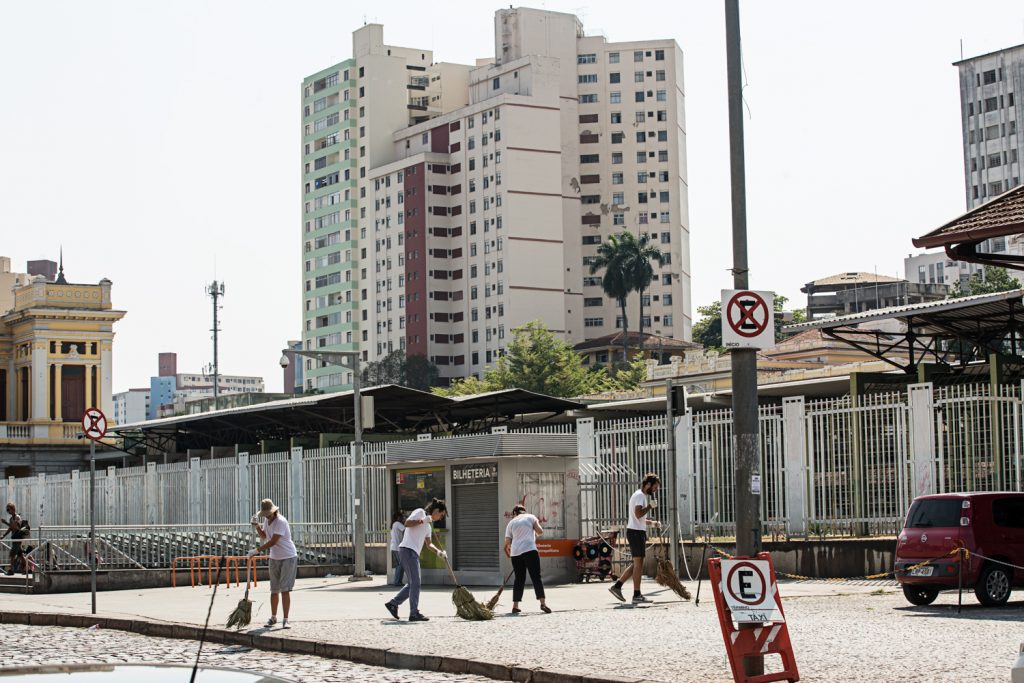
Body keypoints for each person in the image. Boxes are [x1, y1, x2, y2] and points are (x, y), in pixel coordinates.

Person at [385, 498, 447, 622]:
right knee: (416, 583)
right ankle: (413, 613)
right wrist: (423, 520)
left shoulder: (428, 527)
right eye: (441, 515)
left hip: (412, 553)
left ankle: (393, 603)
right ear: (435, 510)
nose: (440, 518)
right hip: (407, 550)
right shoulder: (420, 513)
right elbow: (407, 523)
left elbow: (429, 544)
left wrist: (439, 553)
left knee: (413, 584)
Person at [609, 473, 662, 604]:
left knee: (637, 564)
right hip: (636, 533)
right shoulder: (640, 496)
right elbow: (638, 514)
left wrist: (652, 523)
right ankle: (636, 594)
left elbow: (639, 518)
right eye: (654, 487)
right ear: (648, 484)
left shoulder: (639, 495)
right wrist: (650, 506)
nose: (655, 490)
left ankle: (617, 586)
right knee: (638, 564)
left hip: (636, 531)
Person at [249, 498, 298, 628]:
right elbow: (264, 536)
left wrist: (256, 550)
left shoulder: (280, 521)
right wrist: (257, 526)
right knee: (274, 589)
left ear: (274, 512)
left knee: (285, 589)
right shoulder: (266, 520)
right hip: (275, 557)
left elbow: (273, 541)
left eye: (268, 514)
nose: (267, 516)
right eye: (265, 515)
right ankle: (273, 617)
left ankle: (286, 619)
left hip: (288, 557)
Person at [503, 504, 551, 615]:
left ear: (515, 513)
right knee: (536, 577)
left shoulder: (511, 523)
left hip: (515, 553)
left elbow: (507, 543)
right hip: (530, 550)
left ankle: (515, 606)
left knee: (519, 579)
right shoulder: (531, 517)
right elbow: (540, 531)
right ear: (524, 511)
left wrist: (509, 553)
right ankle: (542, 603)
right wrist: (532, 532)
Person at [1, 503, 25, 576]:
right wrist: (4, 535)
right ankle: (27, 568)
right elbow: (11, 528)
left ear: (13, 509)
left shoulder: (17, 517)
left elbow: (16, 528)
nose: (8, 511)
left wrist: (5, 522)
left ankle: (11, 570)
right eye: (7, 510)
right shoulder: (11, 518)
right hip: (14, 538)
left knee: (12, 554)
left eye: (9, 509)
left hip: (17, 538)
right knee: (20, 555)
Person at [389, 511, 406, 586]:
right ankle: (398, 581)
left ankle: (397, 581)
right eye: (401, 517)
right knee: (401, 564)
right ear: (398, 517)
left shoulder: (394, 524)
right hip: (397, 547)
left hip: (394, 547)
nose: (402, 518)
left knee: (399, 564)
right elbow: (405, 529)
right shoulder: (397, 524)